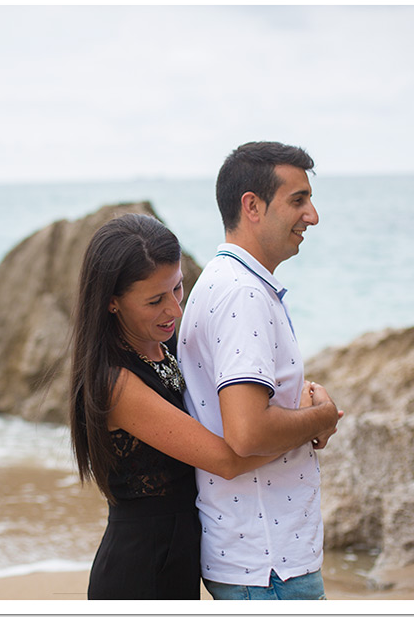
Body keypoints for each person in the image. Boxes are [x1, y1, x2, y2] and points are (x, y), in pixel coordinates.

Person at [69, 212, 299, 600]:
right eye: (155, 300)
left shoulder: (169, 349)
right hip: (139, 573)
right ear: (112, 303)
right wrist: (311, 424)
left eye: (178, 289)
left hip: (180, 560)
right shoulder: (115, 383)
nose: (175, 310)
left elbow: (242, 399)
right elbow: (228, 458)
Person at [178, 141, 344, 600]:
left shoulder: (227, 281)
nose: (312, 215)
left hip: (259, 558)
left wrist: (300, 402)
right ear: (252, 206)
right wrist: (321, 418)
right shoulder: (242, 295)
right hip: (268, 565)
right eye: (298, 200)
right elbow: (247, 432)